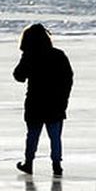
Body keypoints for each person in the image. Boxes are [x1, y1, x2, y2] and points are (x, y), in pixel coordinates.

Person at [12, 23, 73, 176]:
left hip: (35, 103)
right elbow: (68, 78)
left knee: (32, 135)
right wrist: (64, 98)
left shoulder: (30, 56)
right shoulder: (59, 55)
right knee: (55, 137)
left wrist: (25, 59)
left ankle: (29, 163)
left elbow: (18, 76)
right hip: (56, 103)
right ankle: (57, 165)